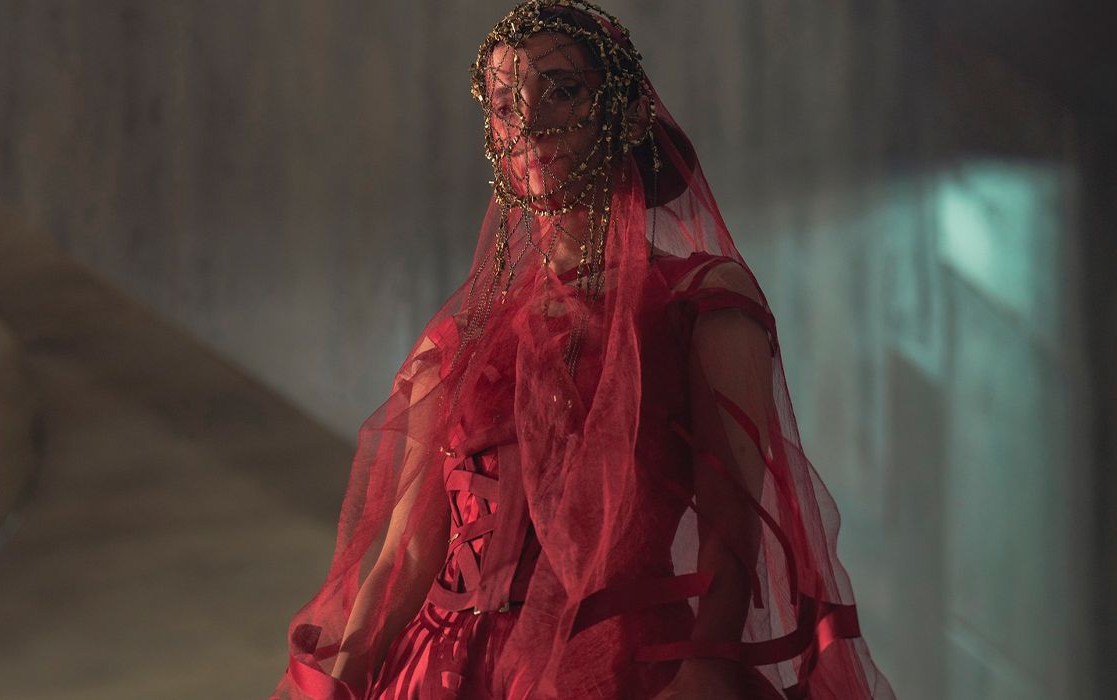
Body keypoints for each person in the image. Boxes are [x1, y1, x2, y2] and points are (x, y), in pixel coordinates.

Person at [273, 1, 895, 698]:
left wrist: (707, 664)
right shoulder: (459, 338)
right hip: (437, 675)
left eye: (561, 90)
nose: (529, 124)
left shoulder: (698, 301)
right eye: (507, 104)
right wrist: (344, 677)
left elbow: (733, 520)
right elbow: (407, 551)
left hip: (617, 666)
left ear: (629, 116)